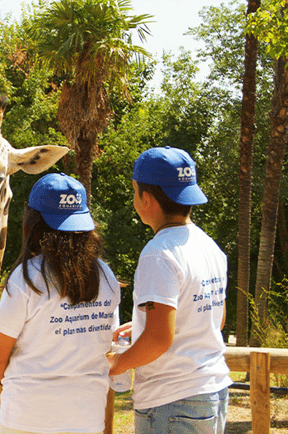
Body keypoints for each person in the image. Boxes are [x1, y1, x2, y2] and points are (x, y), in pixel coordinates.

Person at [108, 146, 231, 434]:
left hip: (172, 402)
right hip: (212, 392)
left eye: (135, 190)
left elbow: (159, 339)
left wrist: (117, 363)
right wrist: (142, 324)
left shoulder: (158, 254)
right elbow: (216, 317)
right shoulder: (208, 245)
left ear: (146, 199)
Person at [0, 173, 121, 434]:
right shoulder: (105, 275)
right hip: (87, 417)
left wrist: (6, 379)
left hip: (26, 417)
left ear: (33, 222)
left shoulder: (28, 276)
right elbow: (107, 341)